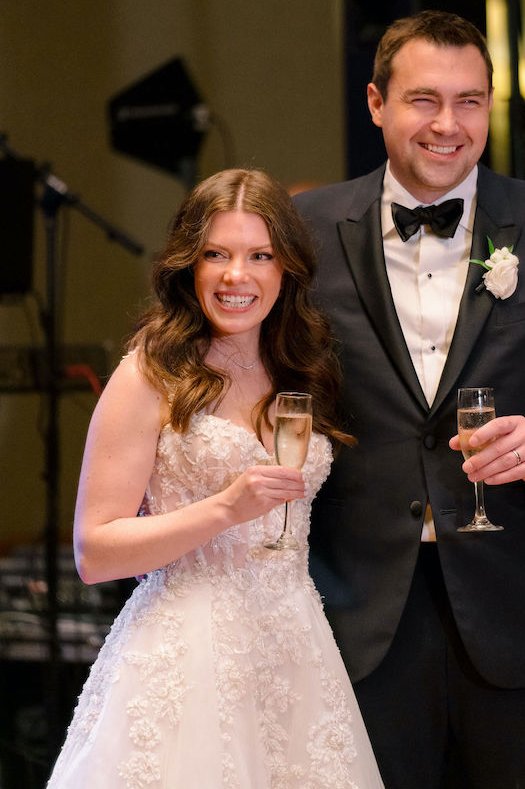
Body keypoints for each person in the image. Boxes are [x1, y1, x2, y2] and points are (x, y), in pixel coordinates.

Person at [293, 10, 525, 789]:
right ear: (375, 104)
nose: (449, 125)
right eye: (425, 99)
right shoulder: (304, 231)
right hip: (356, 622)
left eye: (470, 101)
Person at [46, 168, 385, 789]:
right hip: (186, 651)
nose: (238, 276)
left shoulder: (300, 366)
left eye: (260, 255)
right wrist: (224, 509)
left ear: (286, 270)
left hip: (294, 648)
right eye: (217, 256)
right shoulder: (151, 371)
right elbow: (94, 552)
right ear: (188, 266)